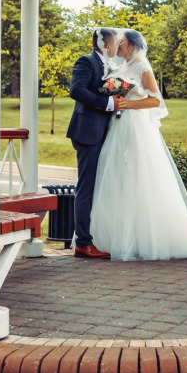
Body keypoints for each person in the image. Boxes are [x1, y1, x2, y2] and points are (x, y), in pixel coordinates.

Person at [89, 29, 187, 261]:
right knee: (118, 179)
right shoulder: (120, 69)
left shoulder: (142, 67)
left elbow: (155, 100)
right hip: (118, 128)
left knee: (140, 178)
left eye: (121, 41)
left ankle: (147, 239)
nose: (117, 44)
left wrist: (127, 105)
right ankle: (116, 237)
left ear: (131, 44)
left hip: (136, 128)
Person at [66, 27, 127, 259]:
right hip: (87, 133)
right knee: (86, 187)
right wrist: (108, 103)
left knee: (99, 186)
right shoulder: (86, 61)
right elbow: (77, 91)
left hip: (104, 132)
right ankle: (82, 243)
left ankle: (95, 236)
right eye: (116, 43)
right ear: (107, 46)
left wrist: (117, 105)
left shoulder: (109, 66)